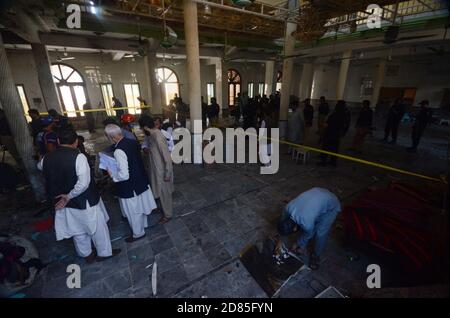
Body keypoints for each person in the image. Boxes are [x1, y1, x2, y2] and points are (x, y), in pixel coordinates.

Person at [38, 128, 120, 263]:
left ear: (58, 141)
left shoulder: (47, 158)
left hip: (61, 202)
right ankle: (104, 253)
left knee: (76, 230)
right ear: (76, 142)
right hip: (83, 200)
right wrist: (69, 195)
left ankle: (87, 254)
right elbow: (83, 183)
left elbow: (40, 167)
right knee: (97, 227)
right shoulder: (78, 157)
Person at [104, 124, 157, 242]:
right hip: (140, 180)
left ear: (111, 137)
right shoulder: (132, 142)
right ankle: (143, 226)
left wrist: (112, 174)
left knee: (133, 211)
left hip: (129, 186)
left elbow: (123, 175)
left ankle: (138, 234)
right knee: (140, 207)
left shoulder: (118, 151)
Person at [277, 187, 341, 269]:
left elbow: (308, 233)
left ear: (295, 229)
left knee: (320, 233)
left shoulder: (306, 223)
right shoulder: (288, 208)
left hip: (332, 205)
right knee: (311, 221)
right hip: (318, 191)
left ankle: (316, 256)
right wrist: (280, 234)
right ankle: (301, 247)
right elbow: (283, 219)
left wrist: (299, 244)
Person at [139, 116, 174, 224]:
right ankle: (163, 209)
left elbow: (167, 158)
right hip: (156, 170)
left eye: (141, 128)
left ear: (145, 127)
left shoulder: (158, 136)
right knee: (159, 192)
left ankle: (168, 214)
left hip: (162, 172)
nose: (141, 130)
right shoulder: (151, 136)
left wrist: (168, 174)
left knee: (165, 194)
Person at [318, 100, 350, 167]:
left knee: (326, 147)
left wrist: (323, 126)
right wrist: (343, 133)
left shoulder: (334, 115)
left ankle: (323, 161)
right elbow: (346, 125)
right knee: (334, 149)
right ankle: (333, 162)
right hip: (337, 135)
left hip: (329, 133)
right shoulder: (344, 114)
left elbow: (327, 124)